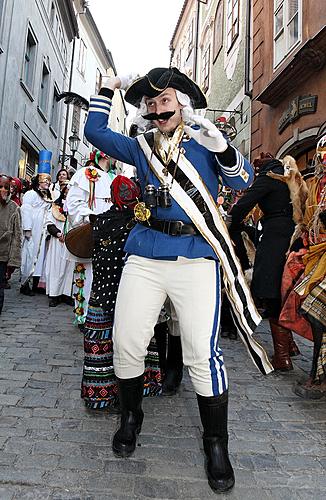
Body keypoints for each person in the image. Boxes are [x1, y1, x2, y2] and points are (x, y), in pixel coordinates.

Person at [84, 68, 272, 493]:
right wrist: (106, 90)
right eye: (149, 105)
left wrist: (223, 148)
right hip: (147, 252)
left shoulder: (205, 141)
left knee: (201, 358)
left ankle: (216, 444)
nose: (156, 110)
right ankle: (130, 416)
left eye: (164, 101)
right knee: (127, 341)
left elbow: (243, 181)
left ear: (182, 103)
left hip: (196, 257)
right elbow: (95, 131)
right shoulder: (140, 147)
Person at [81, 175, 162, 409]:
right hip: (136, 292)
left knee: (101, 340)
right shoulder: (143, 221)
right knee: (138, 339)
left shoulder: (99, 221)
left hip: (102, 291)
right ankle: (142, 385)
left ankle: (101, 394)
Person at [229, 153, 300, 371]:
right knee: (284, 289)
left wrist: (231, 226)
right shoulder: (291, 175)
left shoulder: (268, 177)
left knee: (270, 291)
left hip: (275, 237)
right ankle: (291, 346)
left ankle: (282, 357)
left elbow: (244, 204)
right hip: (294, 236)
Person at [279, 136, 326, 398]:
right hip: (316, 256)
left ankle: (319, 378)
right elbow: (309, 221)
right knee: (310, 310)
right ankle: (318, 375)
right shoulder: (315, 184)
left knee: (315, 311)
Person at [66, 150, 116, 325]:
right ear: (106, 155)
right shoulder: (84, 174)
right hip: (89, 234)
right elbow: (73, 204)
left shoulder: (112, 178)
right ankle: (84, 316)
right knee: (85, 276)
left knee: (104, 277)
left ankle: (100, 316)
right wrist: (91, 218)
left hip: (109, 237)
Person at [20, 173, 52, 295]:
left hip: (43, 230)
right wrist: (27, 228)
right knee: (29, 255)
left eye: (49, 182)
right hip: (33, 228)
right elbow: (25, 210)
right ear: (38, 182)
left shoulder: (48, 196)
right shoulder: (31, 194)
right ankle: (24, 283)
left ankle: (36, 282)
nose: (47, 183)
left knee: (40, 257)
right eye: (45, 181)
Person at [45, 183, 75, 307]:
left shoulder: (76, 208)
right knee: (56, 268)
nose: (67, 194)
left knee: (69, 269)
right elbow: (49, 223)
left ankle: (66, 294)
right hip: (58, 242)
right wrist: (58, 234)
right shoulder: (55, 207)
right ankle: (54, 295)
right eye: (66, 192)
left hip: (71, 243)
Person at [0, 174, 22, 314]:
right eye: (0, 186)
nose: (3, 190)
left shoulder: (14, 207)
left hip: (2, 254)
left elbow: (16, 236)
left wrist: (13, 260)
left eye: (6, 187)